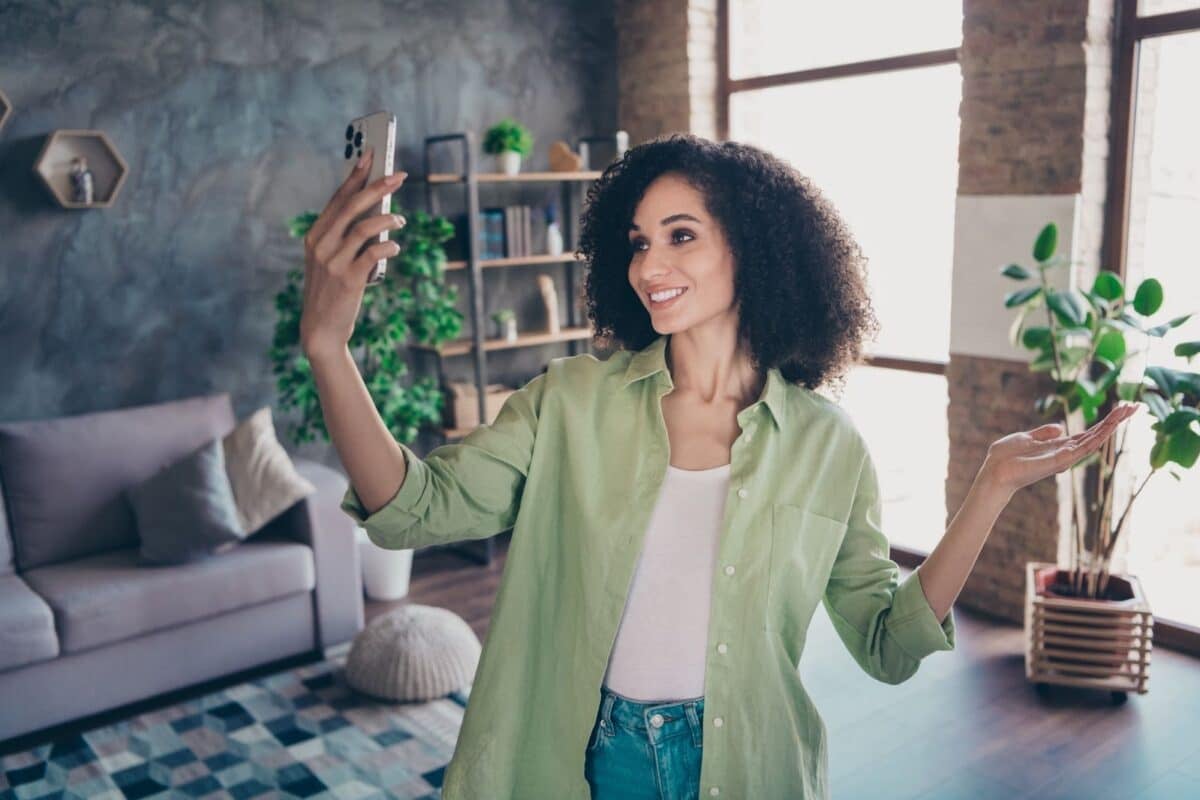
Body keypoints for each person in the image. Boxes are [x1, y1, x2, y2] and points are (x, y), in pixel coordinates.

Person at [300, 133, 1137, 800]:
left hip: (749, 762)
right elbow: (414, 508)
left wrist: (988, 490)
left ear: (756, 250)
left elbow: (886, 642)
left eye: (681, 236)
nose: (648, 266)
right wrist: (328, 347)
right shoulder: (571, 403)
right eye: (636, 242)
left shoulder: (826, 443)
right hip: (591, 756)